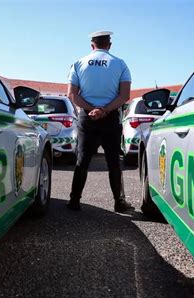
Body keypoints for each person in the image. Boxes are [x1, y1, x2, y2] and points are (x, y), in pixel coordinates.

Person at [66, 30, 134, 213]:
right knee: (113, 162)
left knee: (82, 160)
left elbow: (72, 94)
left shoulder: (78, 63)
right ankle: (119, 202)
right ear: (109, 45)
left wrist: (91, 109)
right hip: (110, 118)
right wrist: (104, 110)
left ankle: (74, 200)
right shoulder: (120, 64)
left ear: (92, 45)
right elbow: (125, 95)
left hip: (87, 118)